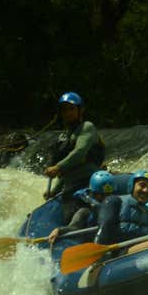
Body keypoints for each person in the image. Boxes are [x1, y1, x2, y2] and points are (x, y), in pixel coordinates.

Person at [43, 92, 105, 222]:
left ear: (80, 110)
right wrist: (54, 191)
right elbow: (67, 172)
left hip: (89, 181)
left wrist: (57, 167)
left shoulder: (87, 127)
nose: (67, 113)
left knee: (79, 216)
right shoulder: (63, 137)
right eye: (64, 110)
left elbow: (80, 152)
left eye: (71, 109)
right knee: (69, 216)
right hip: (71, 185)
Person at [48, 170, 114, 245]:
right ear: (94, 193)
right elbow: (74, 228)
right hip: (88, 239)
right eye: (102, 195)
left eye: (109, 194)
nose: (106, 198)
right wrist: (59, 230)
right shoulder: (84, 212)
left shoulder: (115, 203)